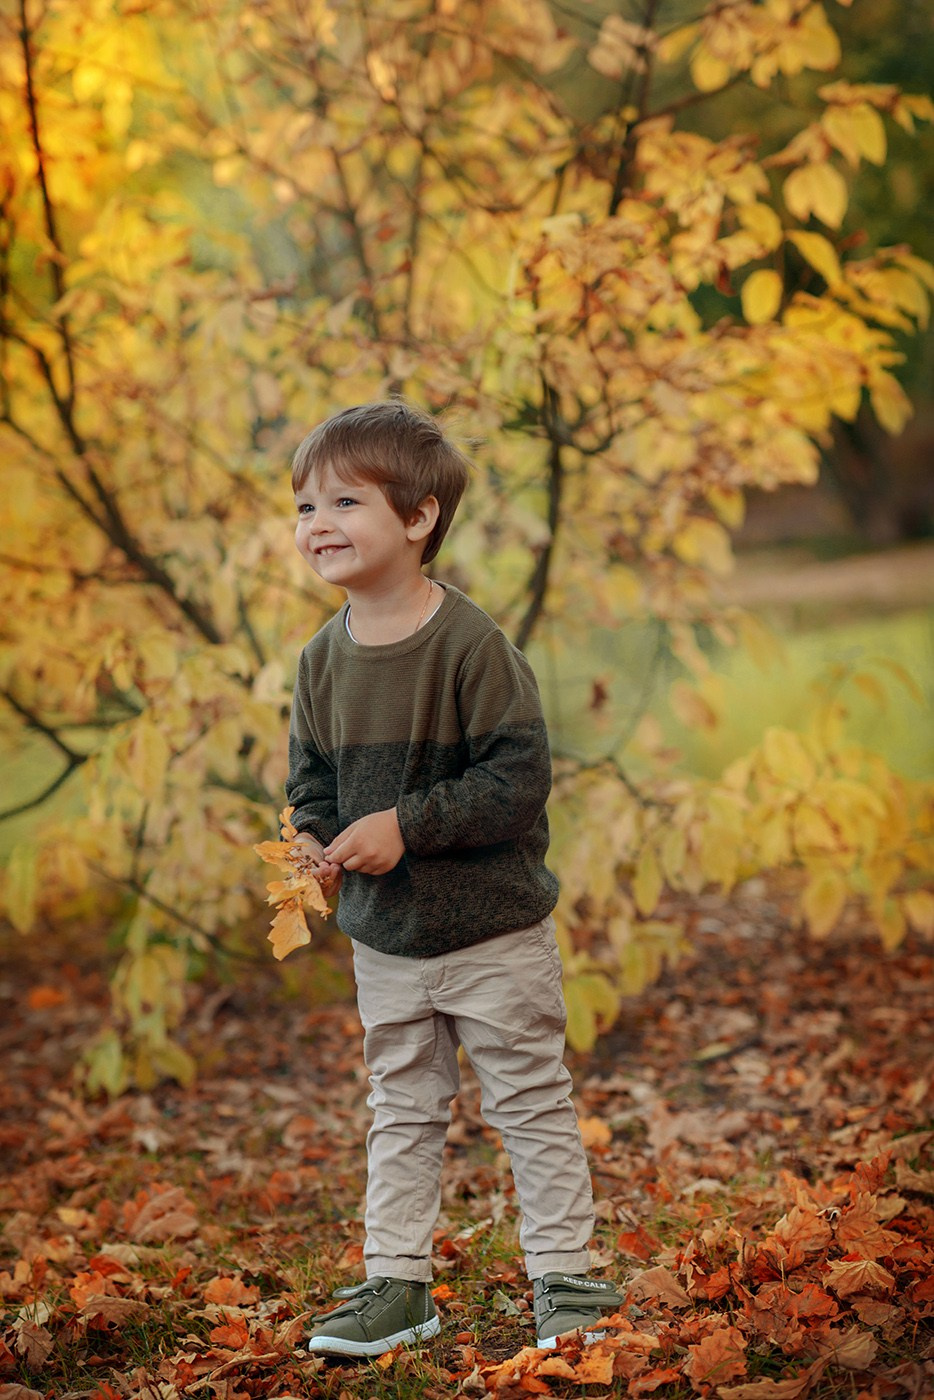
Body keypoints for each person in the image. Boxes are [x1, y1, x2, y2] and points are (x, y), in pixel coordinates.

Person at [284, 400, 621, 1357]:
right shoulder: (320, 661)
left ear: (419, 518)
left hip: (492, 934)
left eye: (345, 501)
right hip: (384, 939)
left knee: (528, 1100)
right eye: (305, 506)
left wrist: (408, 826)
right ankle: (398, 1284)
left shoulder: (470, 646)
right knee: (400, 1106)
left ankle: (567, 1277)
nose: (318, 524)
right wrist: (313, 836)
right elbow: (309, 781)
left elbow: (517, 783)